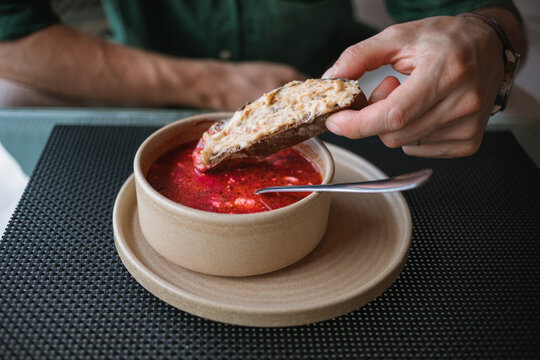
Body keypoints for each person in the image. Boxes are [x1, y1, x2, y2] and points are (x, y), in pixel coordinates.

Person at [0, 0, 527, 158]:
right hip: (140, 79)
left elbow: (478, 12)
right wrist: (208, 86)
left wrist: (485, 39)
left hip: (352, 86)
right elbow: (12, 36)